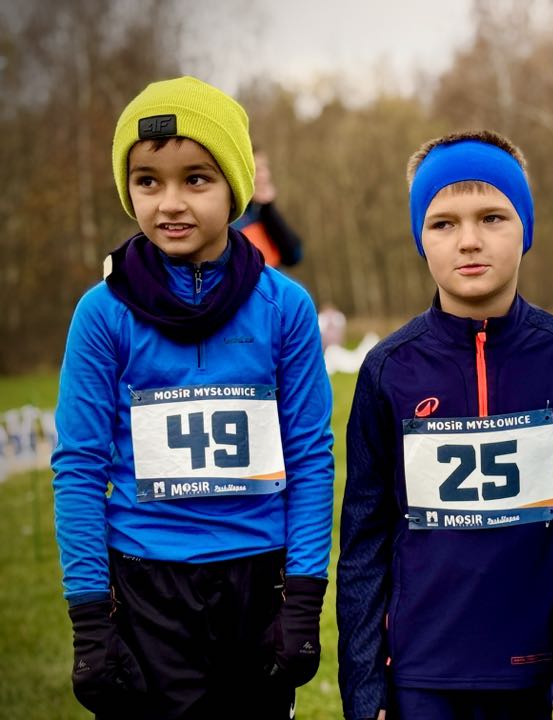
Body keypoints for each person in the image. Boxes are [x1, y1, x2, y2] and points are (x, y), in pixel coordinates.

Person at [51, 76, 335, 720]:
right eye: (148, 181)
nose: (170, 203)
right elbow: (78, 471)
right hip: (144, 587)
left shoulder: (285, 308)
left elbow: (313, 460)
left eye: (196, 179)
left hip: (257, 584)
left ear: (235, 187)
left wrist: (303, 602)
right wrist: (91, 622)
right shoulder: (101, 314)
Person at [337, 130, 553, 720]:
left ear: (526, 227)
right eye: (443, 223)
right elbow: (363, 543)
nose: (468, 241)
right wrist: (364, 688)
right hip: (414, 674)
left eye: (492, 217)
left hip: (526, 667)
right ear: (420, 237)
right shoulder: (388, 369)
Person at [232, 147, 304, 267]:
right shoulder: (233, 221)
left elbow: (294, 255)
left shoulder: (260, 212)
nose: (265, 175)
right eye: (257, 170)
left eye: (265, 167)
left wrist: (268, 208)